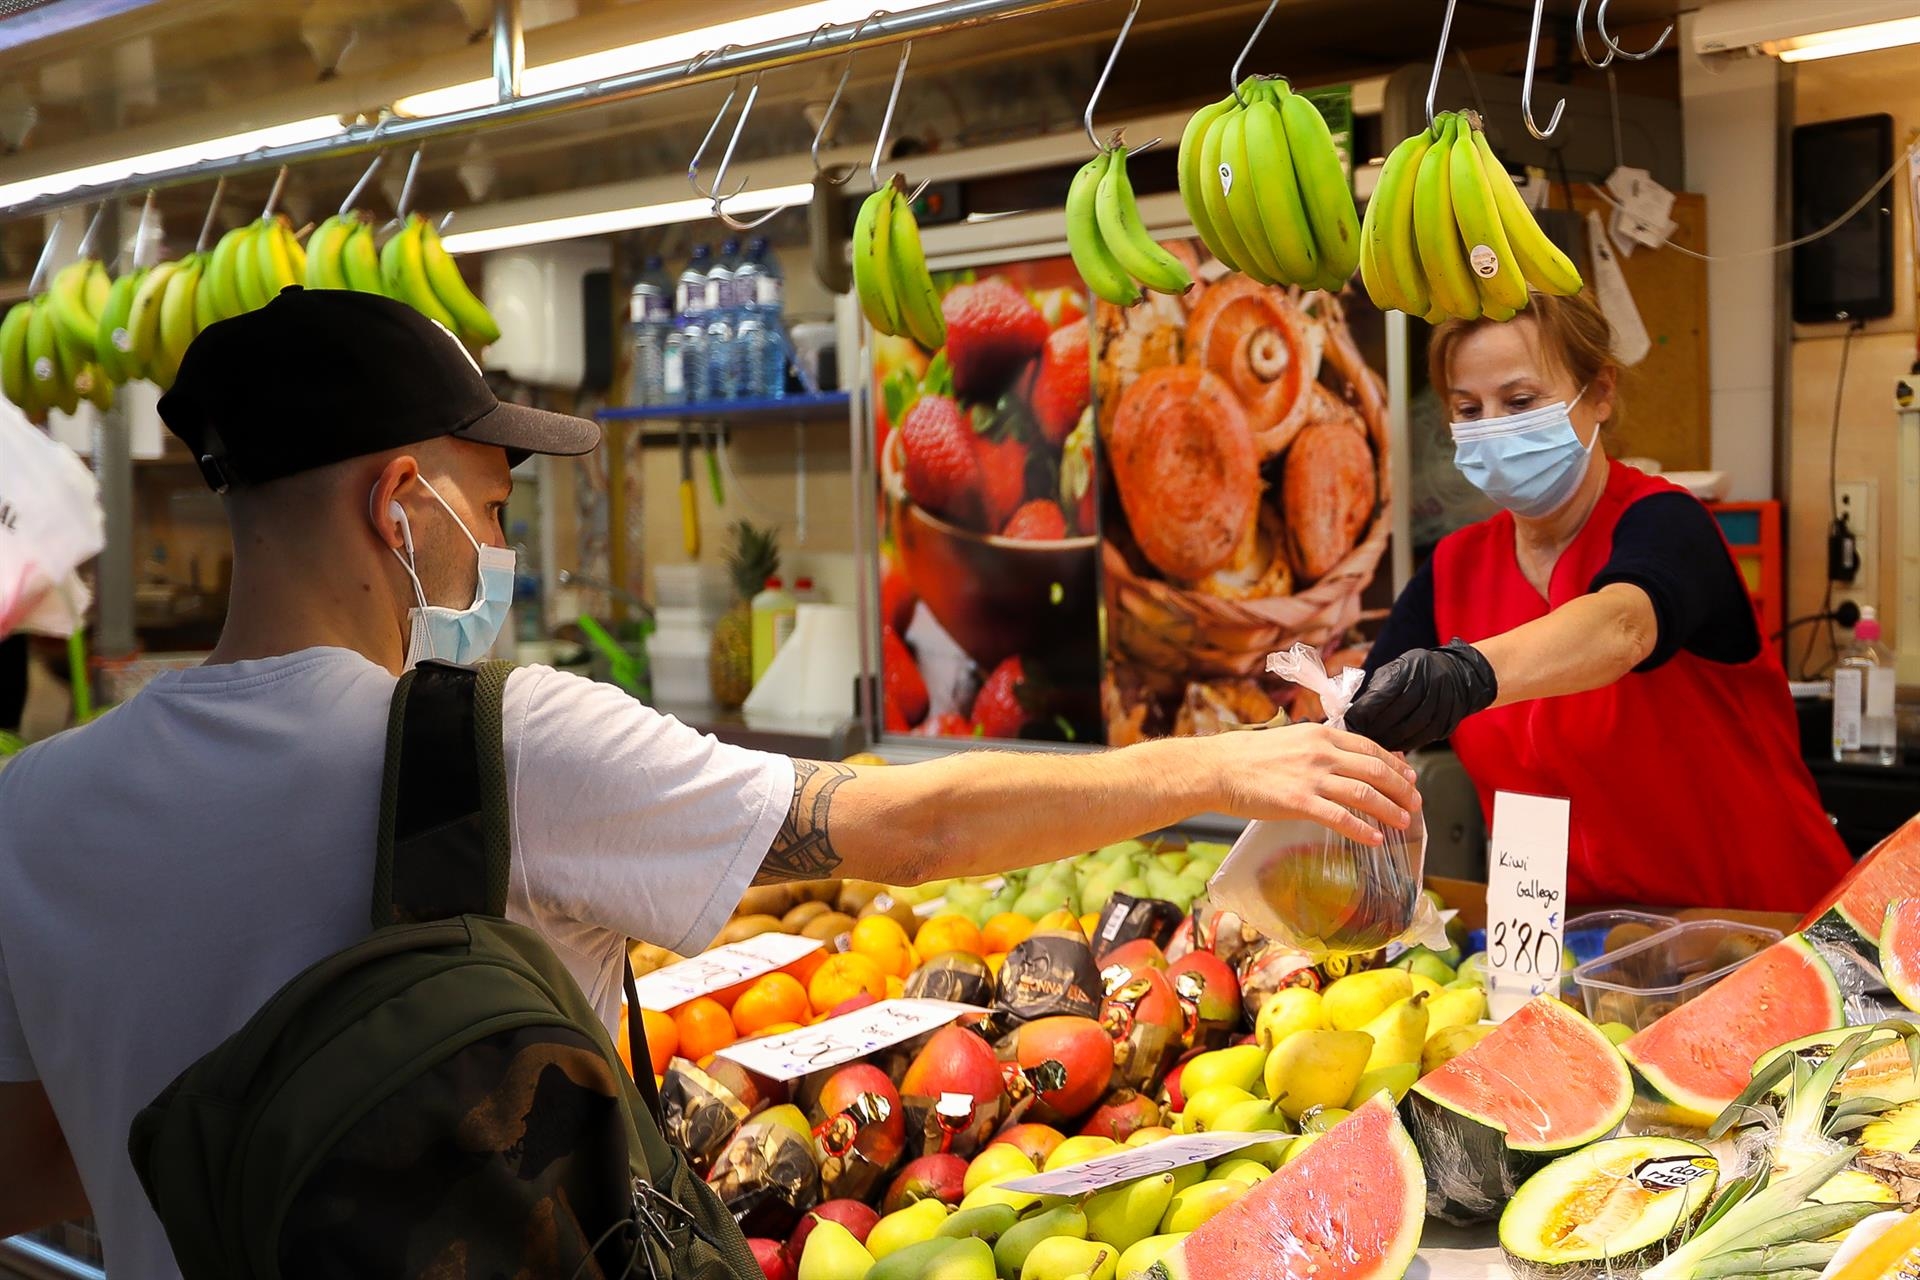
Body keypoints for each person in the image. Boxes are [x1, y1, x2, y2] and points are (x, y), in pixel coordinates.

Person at [0, 289, 1418, 1274]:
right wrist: (1214, 763)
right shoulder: (490, 742)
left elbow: (35, 1173)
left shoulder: (33, 814)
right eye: (489, 513)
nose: (498, 554)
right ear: (396, 504)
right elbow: (897, 824)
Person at [1345, 290, 1850, 912]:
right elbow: (1359, 712)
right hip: (1573, 942)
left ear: (1601, 392)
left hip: (1757, 921)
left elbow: (1622, 627)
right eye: (1468, 408)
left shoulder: (1666, 523)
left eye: (1521, 401)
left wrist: (1468, 673)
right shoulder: (1453, 568)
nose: (1493, 428)